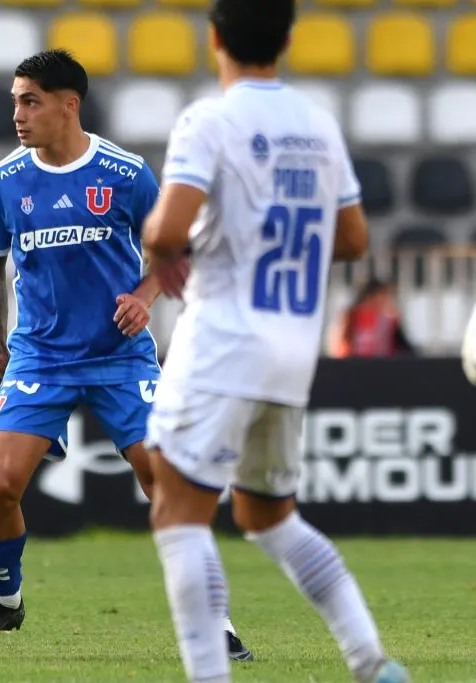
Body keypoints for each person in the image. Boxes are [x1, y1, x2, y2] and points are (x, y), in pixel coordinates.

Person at [0, 48, 253, 662]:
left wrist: (145, 296)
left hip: (122, 359)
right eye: (15, 101)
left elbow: (175, 254)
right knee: (1, 487)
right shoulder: (3, 182)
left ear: (69, 104)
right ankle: (6, 604)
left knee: (166, 484)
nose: (18, 113)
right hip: (39, 358)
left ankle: (213, 619)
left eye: (29, 100)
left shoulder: (125, 173)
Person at [138, 1, 409, 681]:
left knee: (178, 510)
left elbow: (167, 228)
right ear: (287, 39)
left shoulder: (210, 120)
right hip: (292, 349)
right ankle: (372, 662)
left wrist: (164, 247)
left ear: (214, 38)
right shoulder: (317, 123)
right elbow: (352, 239)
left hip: (223, 341)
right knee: (268, 515)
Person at [329, 278, 415, 358]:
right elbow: (340, 345)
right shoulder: (351, 316)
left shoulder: (389, 320)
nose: (386, 300)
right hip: (353, 365)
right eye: (382, 295)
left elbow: (404, 347)